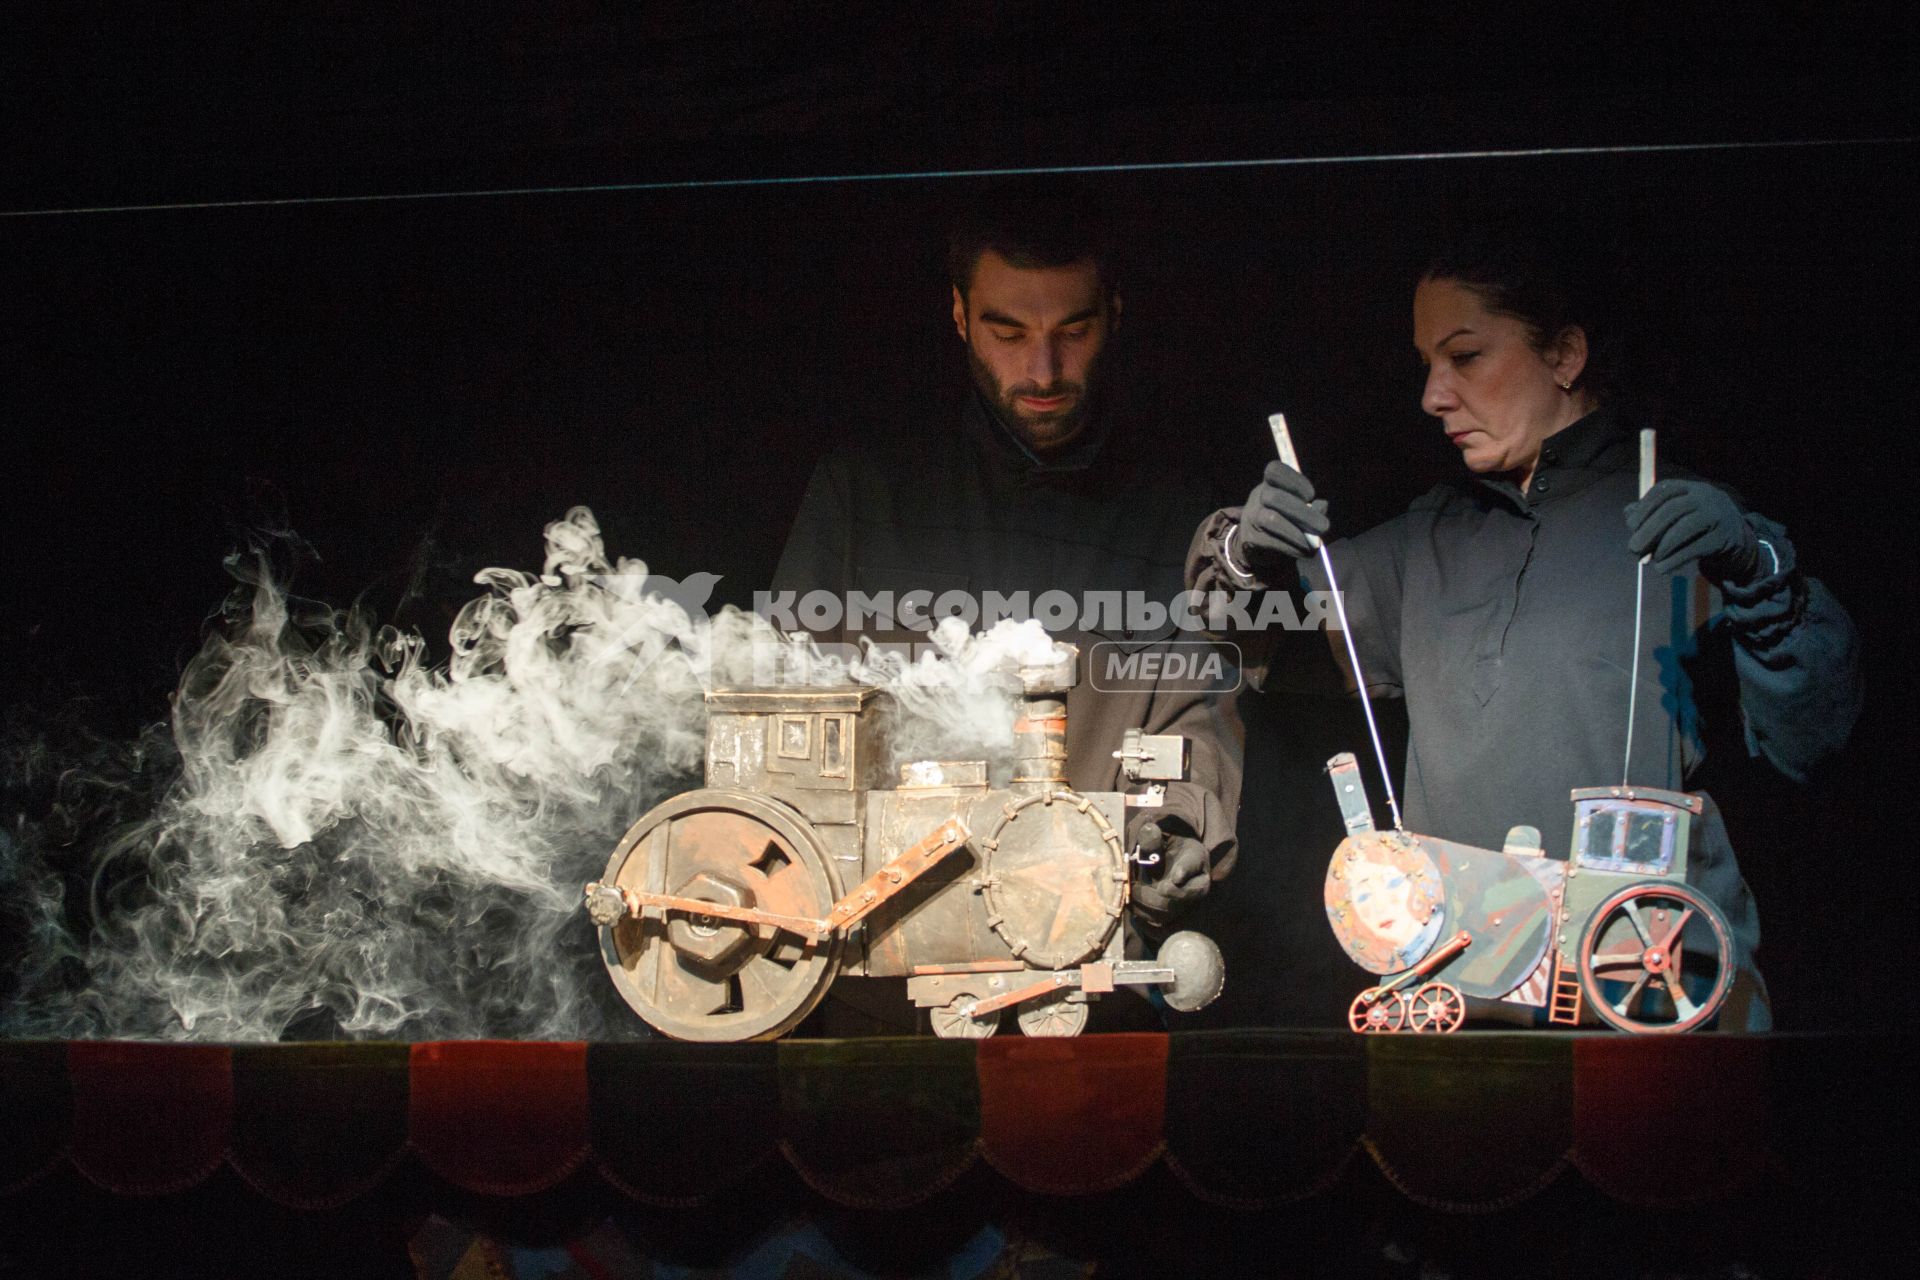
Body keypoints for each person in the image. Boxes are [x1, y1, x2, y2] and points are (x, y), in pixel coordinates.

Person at [1188, 227, 1861, 1029]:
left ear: (1566, 355)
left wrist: (1757, 567)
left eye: (1465, 357)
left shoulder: (1680, 523)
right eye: (1427, 364)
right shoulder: (1426, 542)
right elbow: (1244, 636)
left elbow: (1816, 738)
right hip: (1459, 1003)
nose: (1433, 396)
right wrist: (1241, 552)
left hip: (1649, 995)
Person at [771, 181, 1241, 1029]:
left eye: (1073, 330)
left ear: (1116, 314)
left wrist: (1177, 834)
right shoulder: (862, 495)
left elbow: (1199, 719)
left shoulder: (1180, 515)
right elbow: (785, 729)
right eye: (1008, 331)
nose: (1043, 370)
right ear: (958, 315)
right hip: (875, 997)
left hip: (1090, 986)